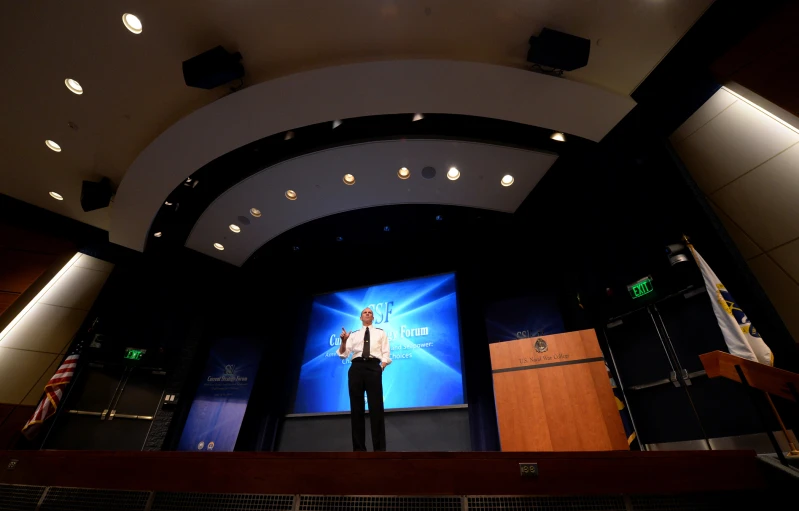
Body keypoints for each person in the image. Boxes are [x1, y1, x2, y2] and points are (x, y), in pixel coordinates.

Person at [338, 307, 391, 451]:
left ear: (373, 317)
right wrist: (343, 341)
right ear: (361, 318)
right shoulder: (353, 335)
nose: (367, 314)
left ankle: (379, 450)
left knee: (376, 409)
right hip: (356, 368)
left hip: (374, 367)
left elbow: (386, 353)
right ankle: (359, 450)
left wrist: (381, 367)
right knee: (356, 410)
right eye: (365, 313)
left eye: (370, 313)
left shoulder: (380, 333)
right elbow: (343, 354)